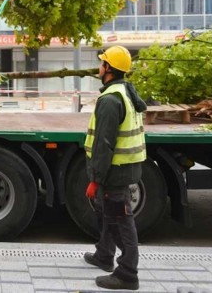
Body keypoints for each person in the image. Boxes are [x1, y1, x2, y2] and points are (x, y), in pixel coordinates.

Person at [83, 45, 147, 291]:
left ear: (108, 69)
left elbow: (104, 144)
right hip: (124, 167)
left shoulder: (110, 100)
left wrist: (95, 180)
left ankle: (128, 273)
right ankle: (104, 254)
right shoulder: (126, 91)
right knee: (108, 212)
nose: (99, 66)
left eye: (102, 63)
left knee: (120, 219)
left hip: (115, 170)